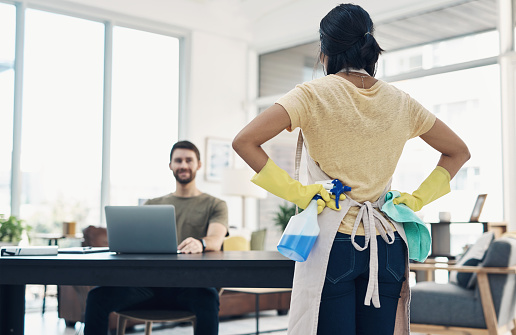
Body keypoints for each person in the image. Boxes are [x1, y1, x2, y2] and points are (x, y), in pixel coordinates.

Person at [232, 3, 470, 335]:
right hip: (387, 242)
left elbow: (245, 142)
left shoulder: (312, 94)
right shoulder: (401, 101)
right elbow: (458, 152)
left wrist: (299, 193)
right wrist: (414, 201)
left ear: (324, 49)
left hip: (335, 244)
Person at [84, 140, 228, 335]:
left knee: (208, 298)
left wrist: (201, 243)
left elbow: (216, 239)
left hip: (189, 287)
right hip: (146, 287)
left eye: (188, 160)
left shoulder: (215, 204)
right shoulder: (152, 203)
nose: (183, 165)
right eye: (178, 160)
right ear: (170, 165)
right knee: (97, 296)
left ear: (199, 165)